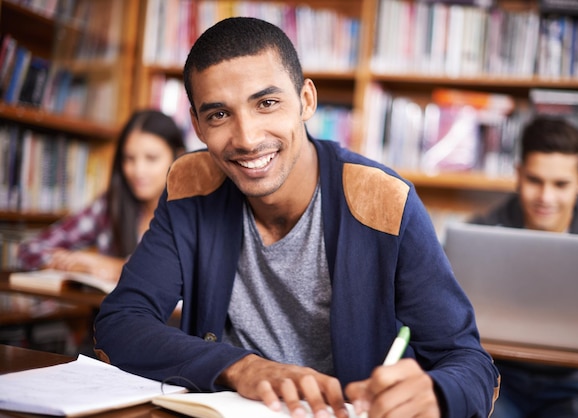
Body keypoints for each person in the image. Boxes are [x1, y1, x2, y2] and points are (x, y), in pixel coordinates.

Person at [93, 17, 499, 418]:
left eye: (267, 103)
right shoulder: (190, 186)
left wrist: (438, 393)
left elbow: (470, 363)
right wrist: (241, 367)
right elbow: (121, 322)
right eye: (219, 115)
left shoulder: (384, 200)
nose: (248, 138)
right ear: (197, 126)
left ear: (306, 100)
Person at [471, 116, 578, 418]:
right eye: (534, 180)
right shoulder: (482, 232)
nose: (546, 197)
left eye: (560, 184)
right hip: (497, 376)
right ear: (518, 174)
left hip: (577, 381)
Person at [18, 109, 186, 283]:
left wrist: (114, 266)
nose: (138, 171)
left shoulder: (192, 212)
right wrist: (78, 264)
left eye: (151, 158)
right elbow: (30, 251)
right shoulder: (109, 205)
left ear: (178, 157)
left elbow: (184, 274)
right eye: (129, 158)